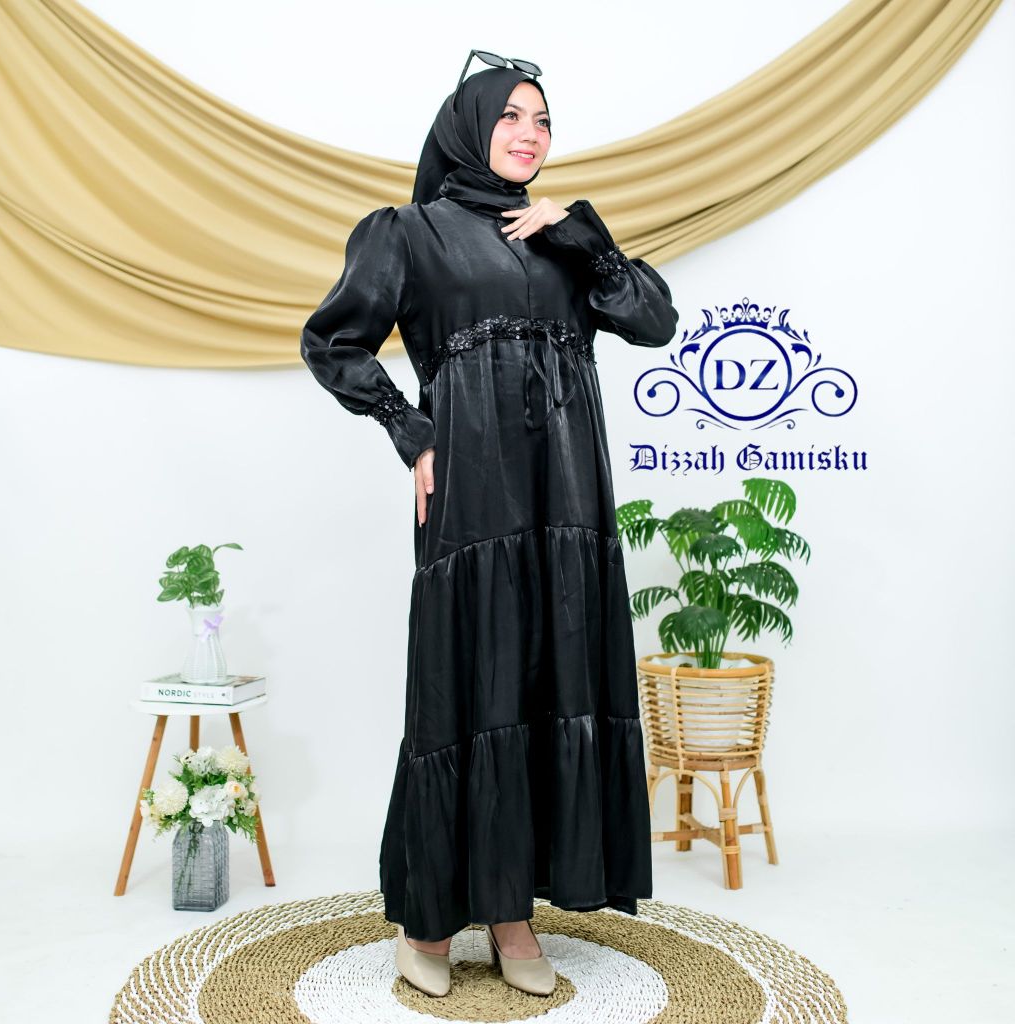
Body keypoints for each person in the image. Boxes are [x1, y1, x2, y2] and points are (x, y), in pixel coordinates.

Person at [300, 57, 679, 997]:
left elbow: (654, 322)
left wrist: (583, 235)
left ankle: (513, 918)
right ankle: (428, 922)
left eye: (542, 120)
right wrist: (409, 428)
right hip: (473, 496)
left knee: (548, 680)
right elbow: (332, 339)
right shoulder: (410, 234)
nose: (529, 133)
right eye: (510, 115)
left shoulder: (561, 237)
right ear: (469, 126)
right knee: (472, 682)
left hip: (567, 501)